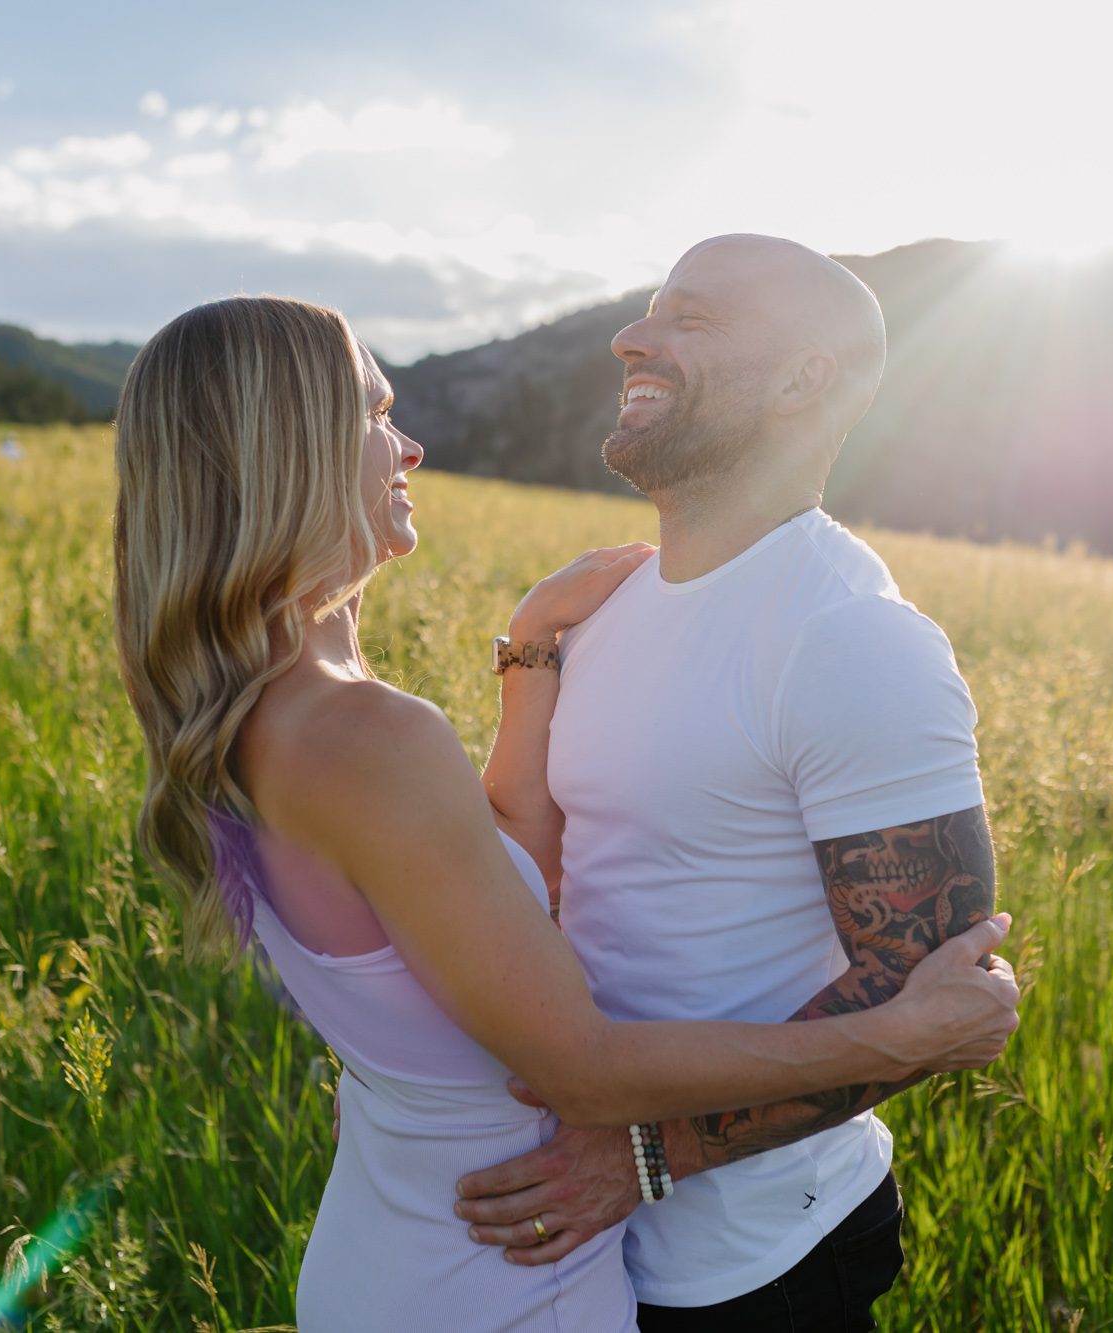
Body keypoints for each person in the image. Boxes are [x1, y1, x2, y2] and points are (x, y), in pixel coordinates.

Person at [110, 294, 1021, 1332]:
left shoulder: (254, 712)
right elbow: (580, 1073)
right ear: (287, 448)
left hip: (396, 1242)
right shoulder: (365, 737)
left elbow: (492, 877)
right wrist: (899, 1034)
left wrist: (529, 650)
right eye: (373, 416)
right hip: (500, 1276)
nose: (406, 447)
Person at [452, 235, 998, 1331]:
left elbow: (928, 996)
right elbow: (538, 872)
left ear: (806, 378)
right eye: (648, 313)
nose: (630, 337)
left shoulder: (846, 637)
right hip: (580, 1242)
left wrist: (647, 1157)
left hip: (759, 1260)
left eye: (689, 320)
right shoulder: (598, 610)